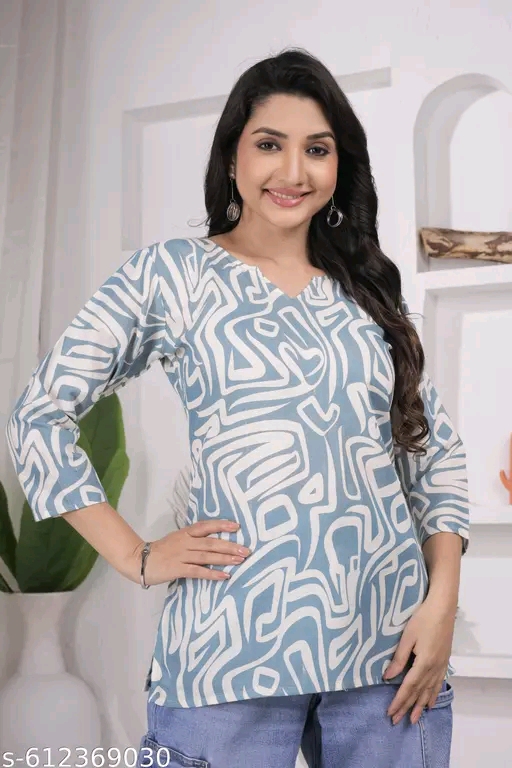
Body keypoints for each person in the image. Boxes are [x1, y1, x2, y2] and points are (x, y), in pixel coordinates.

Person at [6, 47, 469, 768]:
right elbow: (39, 413)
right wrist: (136, 555)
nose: (293, 172)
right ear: (232, 157)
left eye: (317, 149)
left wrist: (440, 609)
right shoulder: (172, 275)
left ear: (340, 164)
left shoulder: (367, 289)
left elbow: (433, 455)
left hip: (389, 658)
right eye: (269, 145)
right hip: (228, 657)